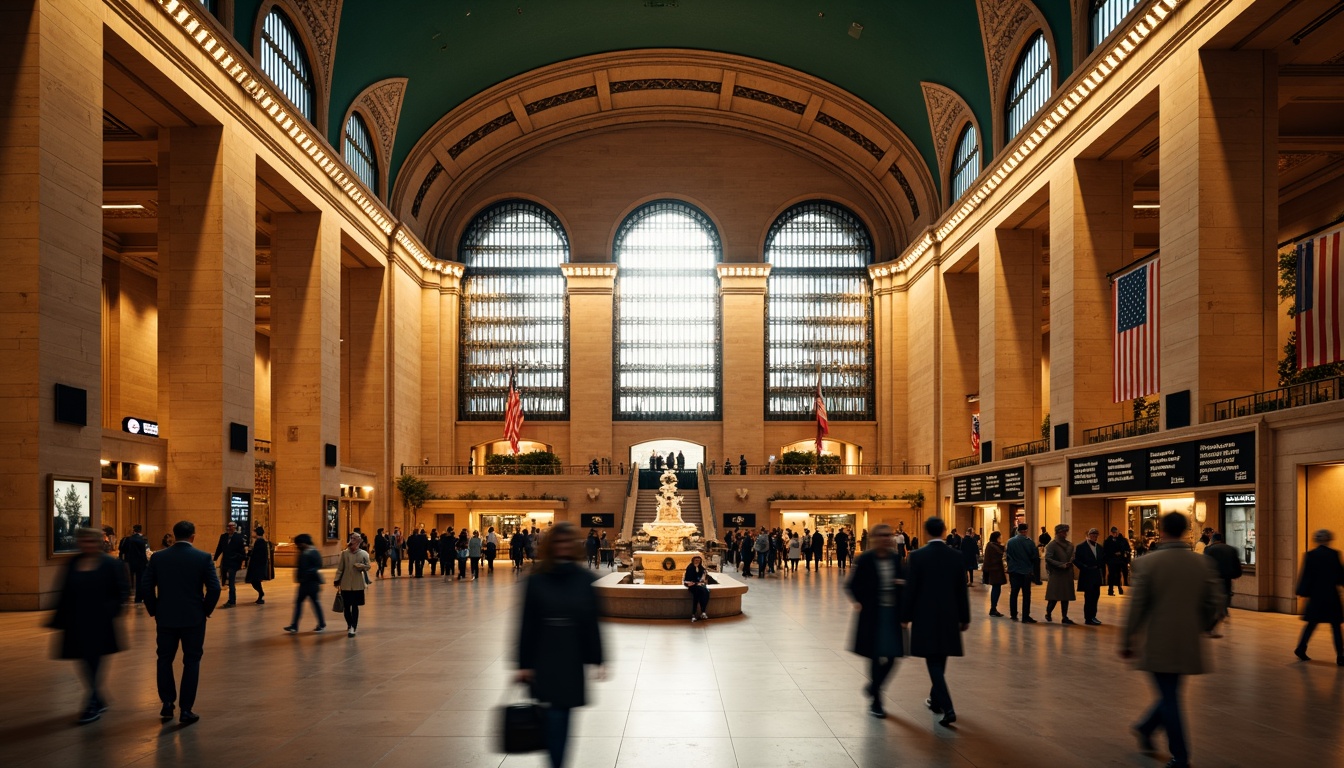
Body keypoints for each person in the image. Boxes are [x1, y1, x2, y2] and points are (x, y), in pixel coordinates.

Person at [1122, 512, 1222, 768]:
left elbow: (1137, 606)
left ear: (1162, 531)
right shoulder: (1201, 563)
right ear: (1186, 531)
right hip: (1188, 641)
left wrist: (1127, 640)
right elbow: (1217, 602)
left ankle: (1180, 755)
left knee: (1170, 696)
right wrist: (1203, 625)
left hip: (1158, 641)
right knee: (1171, 693)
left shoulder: (1148, 563)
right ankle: (1145, 728)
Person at [515, 522, 604, 768]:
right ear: (551, 546)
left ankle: (557, 760)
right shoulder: (537, 579)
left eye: (567, 543)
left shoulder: (584, 580)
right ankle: (557, 761)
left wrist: (597, 658)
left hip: (571, 656)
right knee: (555, 714)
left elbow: (591, 622)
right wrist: (523, 663)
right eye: (558, 543)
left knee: (562, 714)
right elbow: (526, 623)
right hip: (545, 654)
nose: (563, 547)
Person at [142, 520, 220, 725]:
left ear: (174, 536)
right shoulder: (203, 558)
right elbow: (215, 588)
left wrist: (154, 610)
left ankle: (167, 703)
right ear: (193, 536)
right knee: (191, 661)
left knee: (164, 659)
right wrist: (205, 610)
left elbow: (146, 586)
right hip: (193, 618)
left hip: (166, 617)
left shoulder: (158, 557)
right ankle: (186, 709)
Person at [50, 527, 130, 724]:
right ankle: (97, 696)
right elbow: (64, 591)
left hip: (100, 622)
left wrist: (111, 611)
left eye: (91, 542)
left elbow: (121, 592)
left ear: (98, 543)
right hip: (76, 621)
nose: (87, 545)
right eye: (84, 542)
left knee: (94, 659)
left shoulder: (110, 564)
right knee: (83, 660)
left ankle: (92, 702)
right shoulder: (73, 563)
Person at [902, 517, 969, 728]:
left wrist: (905, 615)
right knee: (941, 657)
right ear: (944, 531)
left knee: (933, 661)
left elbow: (911, 589)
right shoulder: (956, 556)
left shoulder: (918, 556)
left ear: (926, 532)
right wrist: (964, 617)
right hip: (949, 615)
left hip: (926, 615)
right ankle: (936, 701)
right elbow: (961, 589)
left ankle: (948, 708)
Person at [846, 524, 905, 718]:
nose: (886, 538)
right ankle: (877, 702)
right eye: (881, 535)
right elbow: (852, 585)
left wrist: (901, 584)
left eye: (888, 535)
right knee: (874, 655)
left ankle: (874, 686)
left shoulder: (896, 559)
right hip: (873, 614)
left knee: (894, 655)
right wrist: (860, 602)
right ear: (874, 538)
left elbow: (905, 581)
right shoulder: (865, 560)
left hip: (892, 614)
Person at [1293, 529, 1344, 665]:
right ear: (1328, 539)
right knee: (1336, 626)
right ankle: (1340, 655)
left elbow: (1306, 575)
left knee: (1311, 624)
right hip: (1331, 595)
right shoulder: (1334, 555)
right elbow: (1340, 575)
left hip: (1316, 596)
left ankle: (1301, 648)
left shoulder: (1310, 555)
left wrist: (1302, 591)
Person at [283, 533, 325, 634]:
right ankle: (295, 625)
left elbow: (318, 565)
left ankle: (296, 626)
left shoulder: (311, 552)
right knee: (308, 603)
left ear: (304, 543)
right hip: (305, 582)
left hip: (311, 583)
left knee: (312, 603)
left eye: (299, 544)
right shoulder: (306, 551)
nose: (298, 546)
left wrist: (307, 573)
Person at [334, 533, 371, 637]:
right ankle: (349, 624)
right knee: (346, 607)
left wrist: (361, 566)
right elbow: (340, 568)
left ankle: (353, 626)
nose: (352, 540)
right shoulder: (344, 554)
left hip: (357, 584)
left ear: (359, 541)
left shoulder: (364, 554)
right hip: (345, 584)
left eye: (355, 539)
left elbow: (368, 566)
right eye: (351, 538)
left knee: (355, 606)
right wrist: (337, 580)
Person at [1203, 532, 1243, 626]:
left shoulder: (1208, 549)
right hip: (1227, 576)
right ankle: (1224, 609)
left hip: (1215, 577)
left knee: (1216, 594)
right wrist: (1237, 573)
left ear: (1212, 540)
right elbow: (1236, 563)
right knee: (1227, 592)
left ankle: (1220, 612)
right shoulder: (1231, 549)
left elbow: (1206, 563)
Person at [1005, 523, 1040, 622]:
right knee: (1026, 594)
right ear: (1026, 531)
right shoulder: (1030, 542)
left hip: (1014, 571)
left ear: (1018, 530)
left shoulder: (1010, 542)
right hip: (1025, 571)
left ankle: (1013, 614)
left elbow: (1007, 556)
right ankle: (1025, 616)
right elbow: (1034, 557)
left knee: (1014, 593)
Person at [1044, 524, 1076, 624]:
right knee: (1054, 597)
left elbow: (1073, 556)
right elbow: (1048, 558)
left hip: (1067, 574)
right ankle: (1048, 613)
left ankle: (1064, 616)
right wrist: (1061, 565)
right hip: (1056, 574)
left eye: (1065, 532)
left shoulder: (1070, 545)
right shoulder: (1052, 545)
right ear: (1057, 533)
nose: (1064, 534)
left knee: (1065, 597)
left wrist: (1071, 562)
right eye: (1062, 532)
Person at [1074, 528, 1106, 625]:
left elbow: (1102, 561)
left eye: (1096, 535)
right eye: (1093, 535)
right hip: (1087, 575)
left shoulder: (1099, 547)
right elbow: (1076, 560)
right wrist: (1084, 567)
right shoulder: (1081, 547)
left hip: (1096, 575)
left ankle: (1093, 616)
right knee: (1089, 597)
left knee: (1096, 596)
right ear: (1089, 535)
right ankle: (1088, 618)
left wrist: (1103, 576)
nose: (1095, 537)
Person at [212, 521, 247, 607]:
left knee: (231, 582)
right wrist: (215, 558)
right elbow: (219, 548)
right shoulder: (223, 537)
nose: (229, 529)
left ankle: (232, 600)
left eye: (231, 527)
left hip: (233, 562)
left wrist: (241, 560)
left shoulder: (238, 538)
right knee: (224, 579)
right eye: (228, 527)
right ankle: (229, 597)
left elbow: (242, 552)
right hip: (225, 562)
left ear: (234, 528)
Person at [117, 524, 149, 604]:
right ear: (140, 530)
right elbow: (143, 553)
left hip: (128, 561)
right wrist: (146, 562)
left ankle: (127, 595)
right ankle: (138, 597)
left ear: (133, 530)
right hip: (139, 562)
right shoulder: (142, 539)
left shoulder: (127, 539)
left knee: (128, 578)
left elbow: (121, 549)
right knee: (139, 580)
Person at [982, 531, 1007, 616]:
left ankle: (993, 608)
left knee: (997, 588)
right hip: (995, 571)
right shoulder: (993, 546)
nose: (1001, 539)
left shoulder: (991, 545)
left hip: (995, 571)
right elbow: (1000, 553)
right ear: (997, 538)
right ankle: (993, 608)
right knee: (996, 589)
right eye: (1000, 537)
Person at [245, 526, 270, 604]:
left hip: (257, 566)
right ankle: (260, 594)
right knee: (255, 581)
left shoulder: (260, 542)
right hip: (257, 566)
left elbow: (257, 554)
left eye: (253, 532)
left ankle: (261, 594)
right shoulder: (259, 541)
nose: (252, 533)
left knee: (255, 581)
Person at [1105, 527, 1131, 595]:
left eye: (1115, 532)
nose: (1114, 534)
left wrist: (1121, 553)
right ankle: (1111, 589)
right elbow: (1106, 550)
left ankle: (1119, 587)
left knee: (1119, 574)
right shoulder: (1108, 541)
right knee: (1111, 575)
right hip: (1112, 560)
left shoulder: (1122, 540)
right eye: (1113, 532)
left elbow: (1127, 549)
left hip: (1120, 560)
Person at [684, 555, 711, 622]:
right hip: (692, 586)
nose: (697, 562)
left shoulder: (701, 568)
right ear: (693, 561)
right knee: (697, 594)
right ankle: (696, 613)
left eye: (699, 561)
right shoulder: (690, 568)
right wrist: (695, 583)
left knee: (706, 593)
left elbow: (703, 577)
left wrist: (702, 581)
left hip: (700, 585)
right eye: (696, 560)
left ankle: (702, 612)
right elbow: (688, 579)